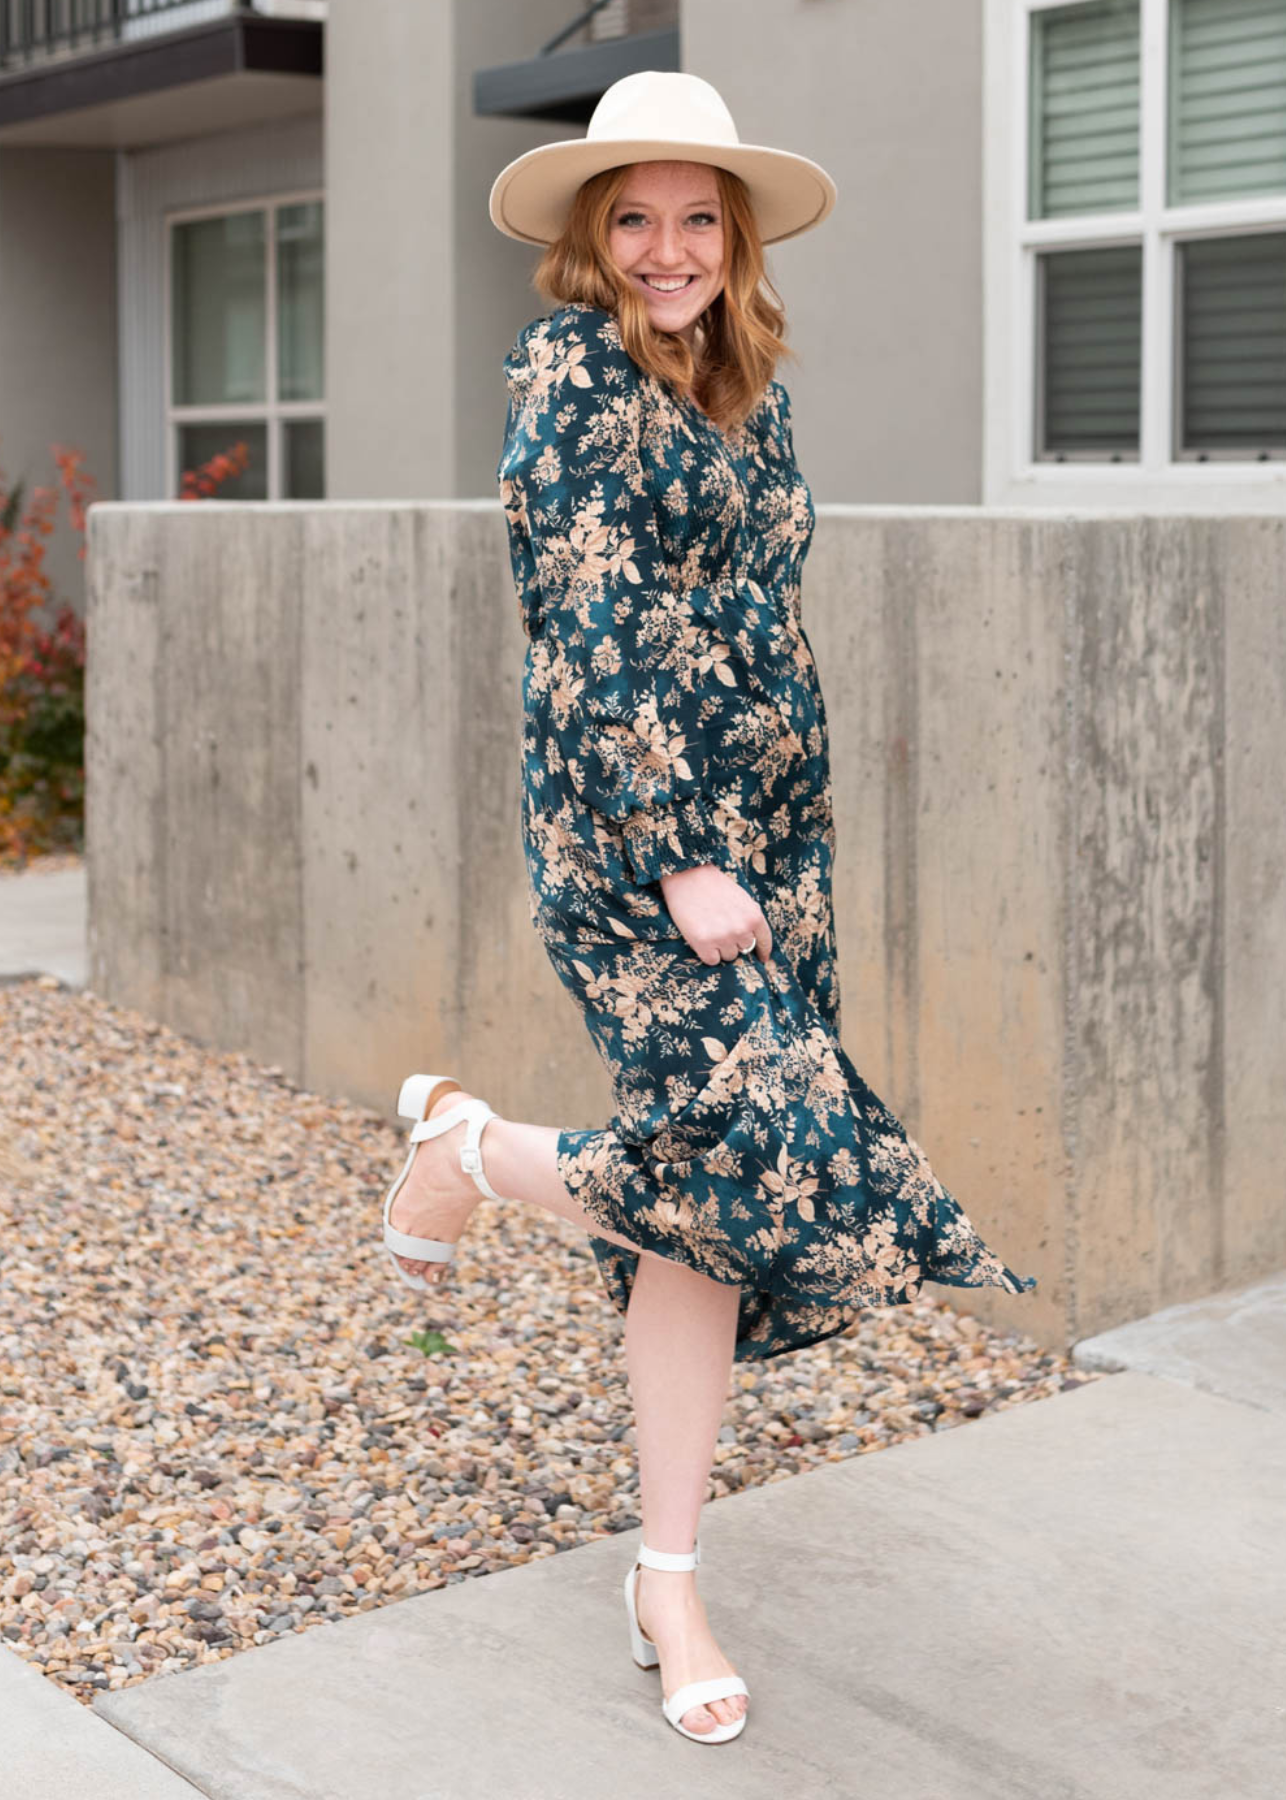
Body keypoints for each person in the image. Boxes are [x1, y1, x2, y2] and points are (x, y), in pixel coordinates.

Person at [380, 70, 1038, 1747]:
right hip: (640, 836)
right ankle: (469, 1156)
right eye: (633, 218)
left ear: (731, 238)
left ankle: (665, 1575)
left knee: (706, 1215)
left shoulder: (753, 385)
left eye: (693, 219)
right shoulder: (569, 374)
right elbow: (585, 625)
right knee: (751, 1164)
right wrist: (675, 847)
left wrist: (768, 836)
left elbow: (761, 610)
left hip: (774, 839)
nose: (666, 249)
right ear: (590, 244)